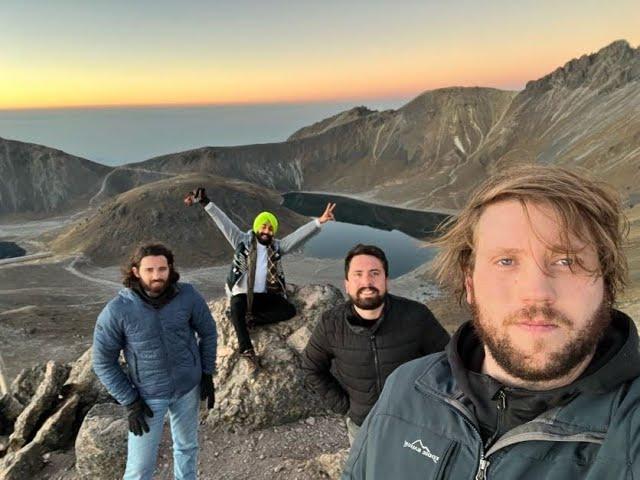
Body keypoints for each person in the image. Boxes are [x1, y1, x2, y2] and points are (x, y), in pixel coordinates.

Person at [342, 165, 640, 479]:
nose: (536, 293)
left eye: (566, 261)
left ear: (606, 285)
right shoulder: (405, 389)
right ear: (470, 284)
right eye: (506, 261)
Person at [301, 244, 450, 445]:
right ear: (346, 283)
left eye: (374, 273)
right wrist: (345, 407)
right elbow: (311, 367)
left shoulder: (416, 316)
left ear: (386, 280)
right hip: (362, 427)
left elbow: (448, 362)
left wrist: (428, 406)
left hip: (411, 425)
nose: (366, 281)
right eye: (358, 274)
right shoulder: (331, 323)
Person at [92, 243, 217, 480]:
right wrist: (130, 401)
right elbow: (102, 361)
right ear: (136, 271)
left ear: (170, 269)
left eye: (162, 269)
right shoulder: (117, 310)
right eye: (149, 270)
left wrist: (206, 373)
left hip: (187, 388)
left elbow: (208, 332)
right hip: (148, 397)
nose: (157, 276)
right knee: (139, 469)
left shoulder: (187, 295)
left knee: (187, 448)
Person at [185, 187, 335, 369]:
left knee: (288, 310)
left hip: (262, 296)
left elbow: (297, 238)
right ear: (257, 227)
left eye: (270, 228)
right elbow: (224, 223)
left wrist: (319, 222)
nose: (267, 230)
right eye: (263, 226)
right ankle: (246, 349)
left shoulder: (277, 247)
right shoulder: (242, 241)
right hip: (242, 295)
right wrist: (206, 202)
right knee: (236, 305)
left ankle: (252, 320)